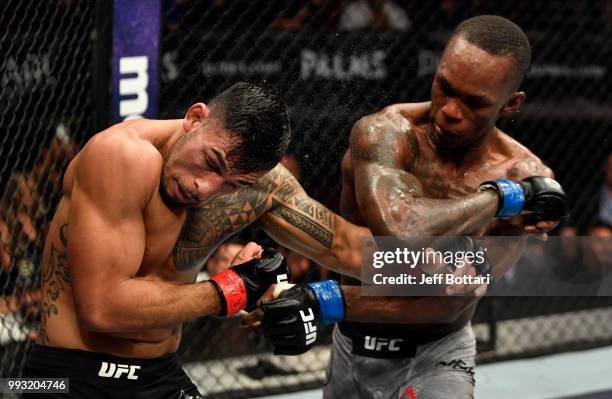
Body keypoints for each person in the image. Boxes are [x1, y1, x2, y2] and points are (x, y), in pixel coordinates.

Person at [247, 16, 569, 398]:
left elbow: (449, 303)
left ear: (510, 104)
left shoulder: (523, 173)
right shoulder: (385, 134)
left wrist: (325, 299)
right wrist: (499, 198)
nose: (450, 110)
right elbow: (403, 229)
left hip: (439, 355)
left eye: (473, 102)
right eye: (444, 87)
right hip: (351, 349)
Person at [23, 82, 373, 398]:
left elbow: (347, 248)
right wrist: (234, 288)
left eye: (232, 185)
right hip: (68, 376)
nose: (204, 188)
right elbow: (103, 308)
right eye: (211, 161)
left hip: (160, 375)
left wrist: (427, 266)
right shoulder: (122, 156)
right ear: (194, 117)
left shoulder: (261, 186)